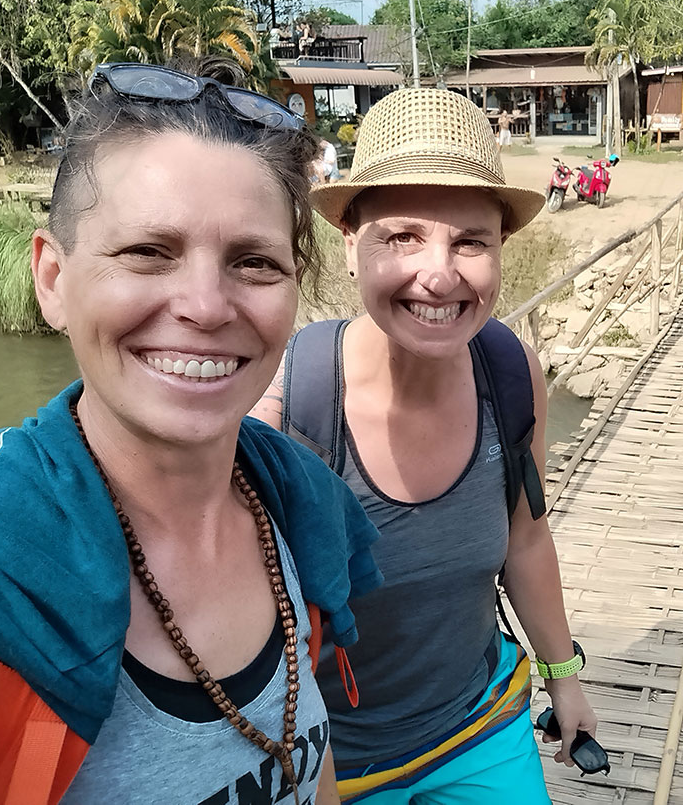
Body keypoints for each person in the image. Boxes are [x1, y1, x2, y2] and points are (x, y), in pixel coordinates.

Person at [0, 62, 382, 804]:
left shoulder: (295, 507)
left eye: (253, 262)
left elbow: (303, 751)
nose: (204, 305)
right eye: (147, 252)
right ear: (52, 280)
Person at [251, 88, 598, 803]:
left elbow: (525, 540)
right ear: (350, 242)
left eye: (471, 240)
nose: (439, 274)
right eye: (403, 236)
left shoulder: (509, 371)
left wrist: (566, 680)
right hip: (333, 766)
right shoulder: (289, 406)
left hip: (481, 726)